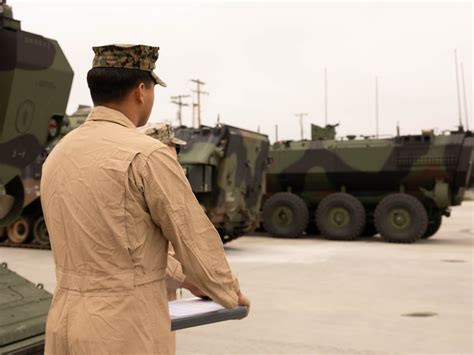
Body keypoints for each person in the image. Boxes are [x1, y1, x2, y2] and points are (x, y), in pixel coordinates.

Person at [40, 44, 250, 354]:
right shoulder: (146, 154)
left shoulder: (57, 155)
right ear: (141, 90)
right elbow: (192, 238)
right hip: (123, 330)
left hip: (63, 325)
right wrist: (228, 291)